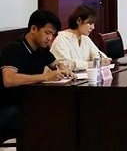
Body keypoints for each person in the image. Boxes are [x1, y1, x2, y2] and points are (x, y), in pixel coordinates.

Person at [0, 10, 76, 141]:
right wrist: (46, 77)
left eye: (52, 34)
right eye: (47, 33)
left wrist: (64, 69)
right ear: (34, 29)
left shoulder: (42, 49)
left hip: (30, 102)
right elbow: (9, 80)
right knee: (48, 122)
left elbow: (57, 64)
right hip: (9, 106)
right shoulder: (13, 49)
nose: (50, 38)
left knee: (64, 114)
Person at [51, 5, 109, 71]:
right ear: (79, 21)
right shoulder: (62, 39)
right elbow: (65, 64)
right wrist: (91, 64)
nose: (93, 27)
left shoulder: (85, 38)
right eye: (90, 23)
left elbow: (98, 54)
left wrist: (102, 60)